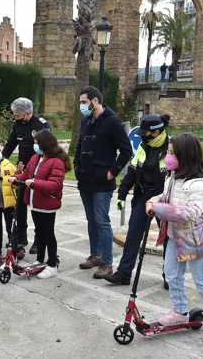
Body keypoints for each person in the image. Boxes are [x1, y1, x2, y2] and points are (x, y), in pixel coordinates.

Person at [148, 133, 203, 343]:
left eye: (172, 153)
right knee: (171, 274)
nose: (167, 156)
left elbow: (190, 213)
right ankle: (180, 311)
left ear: (186, 155)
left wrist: (159, 208)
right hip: (175, 235)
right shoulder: (173, 176)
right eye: (168, 152)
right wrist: (154, 200)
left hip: (197, 239)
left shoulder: (200, 185)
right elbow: (165, 197)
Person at [74, 86, 133, 279]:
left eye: (84, 102)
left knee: (102, 221)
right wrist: (76, 166)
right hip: (85, 179)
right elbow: (80, 145)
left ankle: (107, 262)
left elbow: (126, 151)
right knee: (91, 220)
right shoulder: (86, 121)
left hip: (102, 179)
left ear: (95, 101)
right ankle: (96, 256)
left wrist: (112, 172)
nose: (81, 105)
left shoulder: (112, 122)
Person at [107, 114, 171, 287]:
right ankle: (123, 274)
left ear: (156, 132)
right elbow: (132, 171)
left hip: (164, 200)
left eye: (146, 133)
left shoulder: (171, 148)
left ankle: (170, 277)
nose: (142, 136)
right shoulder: (144, 146)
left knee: (168, 239)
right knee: (133, 236)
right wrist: (122, 194)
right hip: (143, 196)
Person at [10, 130, 69, 279]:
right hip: (34, 202)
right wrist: (15, 177)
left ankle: (52, 265)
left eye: (36, 143)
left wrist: (35, 184)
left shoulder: (56, 162)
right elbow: (26, 175)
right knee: (39, 233)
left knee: (48, 234)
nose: (34, 146)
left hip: (47, 203)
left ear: (44, 143)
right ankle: (40, 260)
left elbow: (55, 184)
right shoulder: (35, 157)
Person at [2, 97, 51, 254]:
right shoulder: (18, 124)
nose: (16, 118)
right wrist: (1, 160)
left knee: (37, 207)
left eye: (18, 115)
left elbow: (49, 147)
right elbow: (10, 144)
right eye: (15, 115)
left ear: (28, 113)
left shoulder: (41, 125)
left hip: (39, 170)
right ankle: (20, 237)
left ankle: (39, 240)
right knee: (20, 206)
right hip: (23, 170)